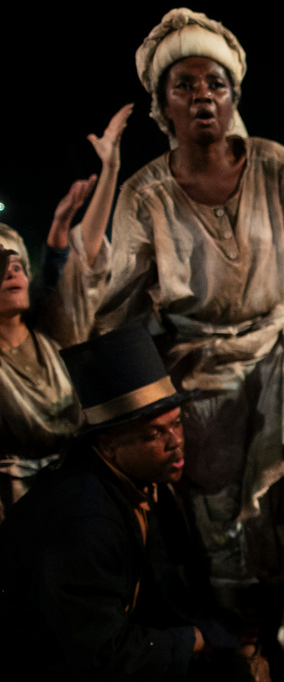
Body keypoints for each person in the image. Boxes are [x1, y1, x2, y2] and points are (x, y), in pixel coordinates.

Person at [94, 8, 284, 599]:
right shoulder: (144, 196)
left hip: (281, 353)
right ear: (163, 106)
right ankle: (247, 630)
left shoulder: (274, 163)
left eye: (216, 84)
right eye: (184, 85)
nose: (203, 97)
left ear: (234, 96)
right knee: (222, 516)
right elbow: (117, 308)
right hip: (198, 376)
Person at [0, 324, 251, 680]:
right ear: (107, 444)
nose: (175, 441)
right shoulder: (84, 520)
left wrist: (220, 634)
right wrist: (195, 640)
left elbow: (157, 592)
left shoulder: (143, 483)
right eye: (153, 433)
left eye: (176, 424)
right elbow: (100, 653)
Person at [0, 104, 130, 521]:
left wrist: (110, 168)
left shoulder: (54, 334)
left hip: (80, 499)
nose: (13, 272)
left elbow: (83, 260)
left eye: (19, 264)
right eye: (0, 267)